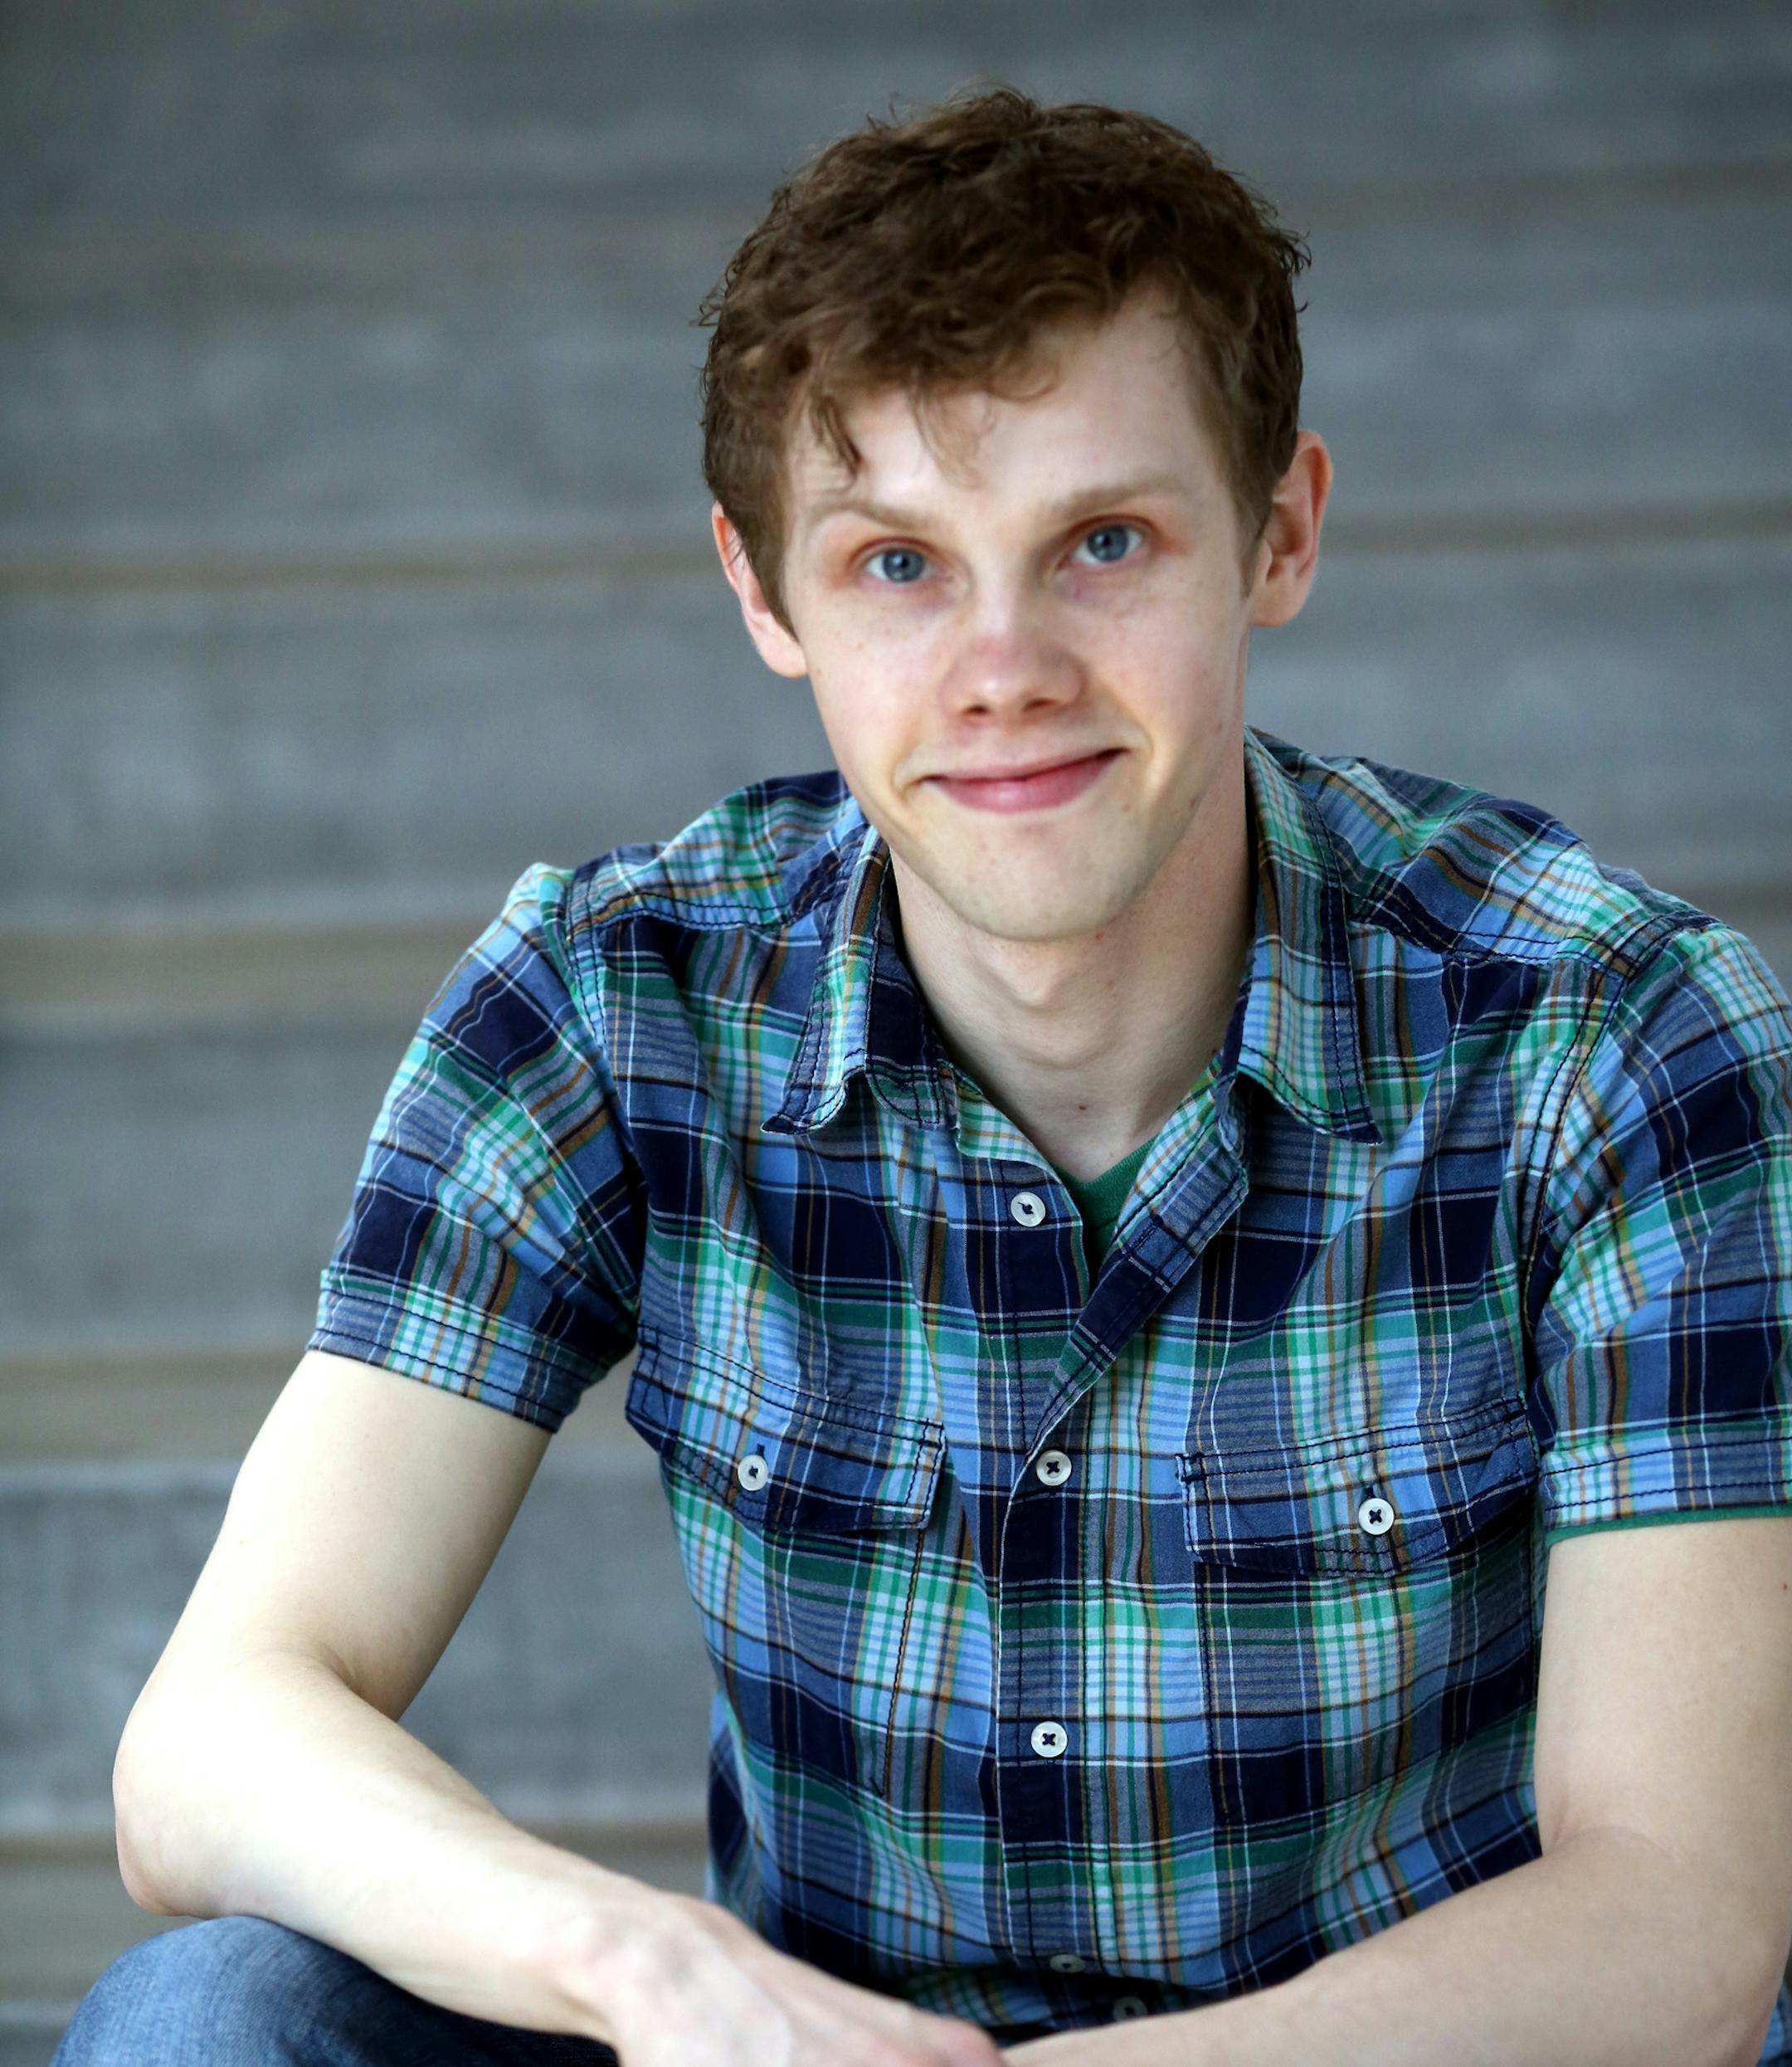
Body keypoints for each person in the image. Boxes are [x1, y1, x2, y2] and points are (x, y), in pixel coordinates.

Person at [56, 83, 1792, 2067]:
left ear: (1281, 532)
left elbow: (1679, 1919)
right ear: (761, 590)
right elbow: (213, 1737)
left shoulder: (1611, 1030)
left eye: (1104, 542)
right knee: (211, 2017)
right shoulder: (618, 1002)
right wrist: (649, 1970)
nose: (1005, 667)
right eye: (898, 564)